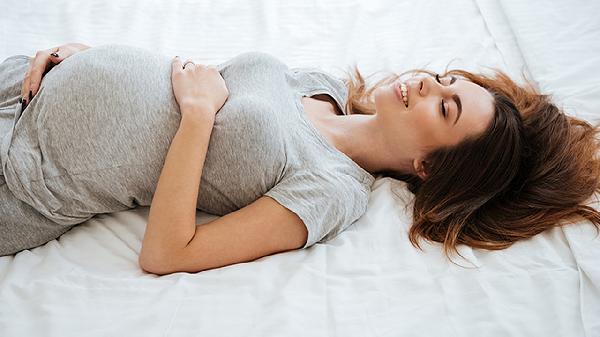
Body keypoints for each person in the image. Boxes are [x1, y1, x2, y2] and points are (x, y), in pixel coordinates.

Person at [1, 43, 598, 274]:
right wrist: (81, 57)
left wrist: (200, 118)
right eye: (444, 81)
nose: (425, 86)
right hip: (25, 82)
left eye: (444, 109)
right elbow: (182, 82)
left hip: (27, 174)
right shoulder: (323, 83)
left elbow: (167, 253)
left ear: (431, 169)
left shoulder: (335, 191)